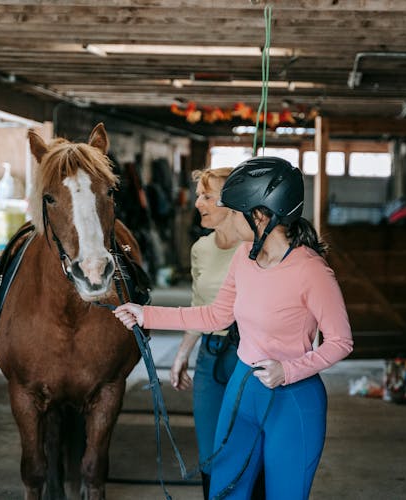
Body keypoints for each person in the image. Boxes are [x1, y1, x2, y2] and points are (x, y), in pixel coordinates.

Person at [115, 156, 353, 499]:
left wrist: (288, 370)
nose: (227, 214)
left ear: (260, 216)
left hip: (292, 397)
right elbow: (216, 316)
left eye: (235, 209)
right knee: (226, 492)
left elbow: (341, 342)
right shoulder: (245, 256)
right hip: (243, 388)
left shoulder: (312, 271)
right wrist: (145, 315)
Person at [169, 167, 243, 498]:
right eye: (199, 195)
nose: (198, 203)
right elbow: (200, 304)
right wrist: (182, 354)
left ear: (233, 202)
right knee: (210, 450)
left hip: (250, 354)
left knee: (246, 445)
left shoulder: (258, 247)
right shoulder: (201, 248)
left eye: (207, 196)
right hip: (210, 354)